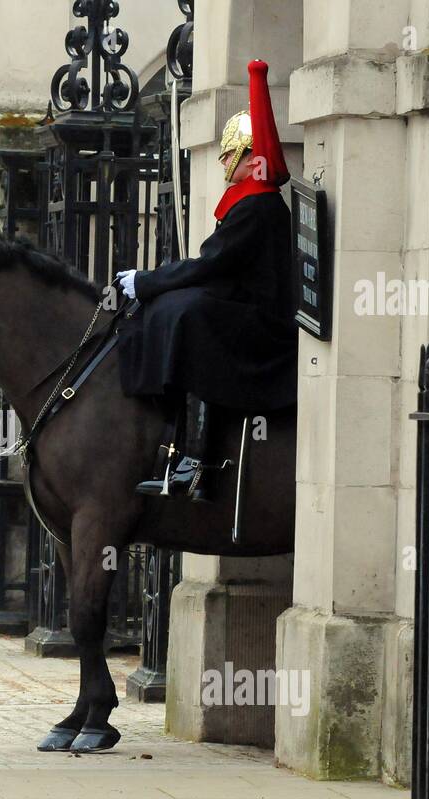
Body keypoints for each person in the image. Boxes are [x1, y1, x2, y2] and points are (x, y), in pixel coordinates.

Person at [116, 59, 296, 497]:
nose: (222, 162)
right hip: (247, 307)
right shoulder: (251, 201)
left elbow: (208, 264)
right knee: (180, 307)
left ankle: (194, 461)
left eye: (229, 155)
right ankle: (178, 447)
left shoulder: (257, 206)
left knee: (187, 317)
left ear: (248, 158)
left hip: (265, 326)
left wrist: (148, 281)